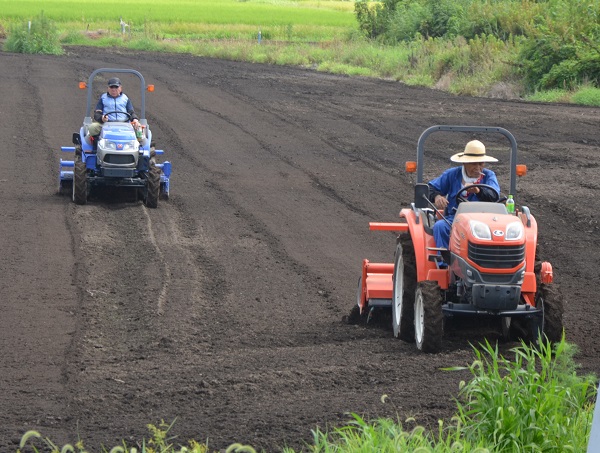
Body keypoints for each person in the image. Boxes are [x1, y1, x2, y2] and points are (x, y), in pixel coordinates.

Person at [427, 139, 500, 250]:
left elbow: (494, 196)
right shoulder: (452, 174)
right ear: (464, 163)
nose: (478, 167)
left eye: (481, 163)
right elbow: (429, 189)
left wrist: (478, 191)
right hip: (455, 219)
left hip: (484, 220)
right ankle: (444, 263)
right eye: (474, 163)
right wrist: (437, 196)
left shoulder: (489, 176)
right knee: (440, 226)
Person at [87, 77, 139, 150]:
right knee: (92, 128)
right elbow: (97, 113)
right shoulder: (103, 98)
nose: (114, 89)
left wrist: (135, 119)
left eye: (116, 87)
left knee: (140, 130)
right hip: (107, 124)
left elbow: (131, 111)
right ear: (108, 88)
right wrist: (102, 118)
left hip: (124, 124)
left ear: (120, 88)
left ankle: (139, 150)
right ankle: (96, 149)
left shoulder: (125, 98)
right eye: (111, 87)